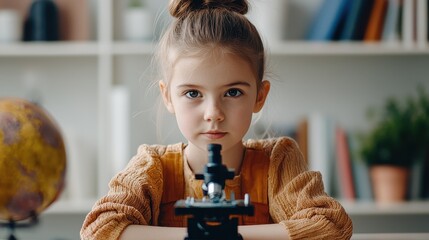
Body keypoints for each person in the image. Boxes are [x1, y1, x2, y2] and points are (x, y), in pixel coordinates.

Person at [80, 0, 353, 239]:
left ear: (259, 96)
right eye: (193, 93)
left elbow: (331, 226)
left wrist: (223, 234)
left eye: (233, 92)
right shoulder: (152, 168)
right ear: (168, 97)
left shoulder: (277, 161)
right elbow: (100, 229)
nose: (213, 113)